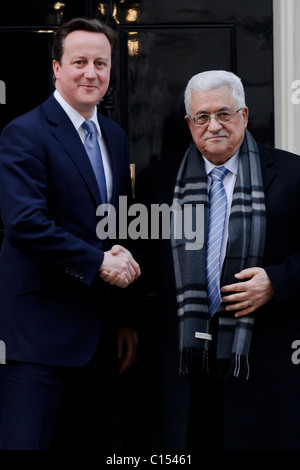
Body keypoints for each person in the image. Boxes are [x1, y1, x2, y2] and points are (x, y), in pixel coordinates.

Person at [135, 70, 300, 451]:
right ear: (189, 123)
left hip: (261, 357)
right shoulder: (157, 182)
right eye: (202, 117)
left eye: (224, 114)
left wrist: (277, 281)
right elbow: (143, 257)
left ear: (244, 115)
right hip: (183, 360)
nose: (214, 126)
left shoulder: (292, 175)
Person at [0, 17, 140, 450]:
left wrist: (124, 318)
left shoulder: (114, 137)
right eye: (79, 61)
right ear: (57, 68)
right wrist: (99, 262)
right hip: (37, 338)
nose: (91, 72)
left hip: (98, 337)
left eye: (101, 62)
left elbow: (115, 225)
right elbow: (25, 224)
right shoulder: (24, 133)